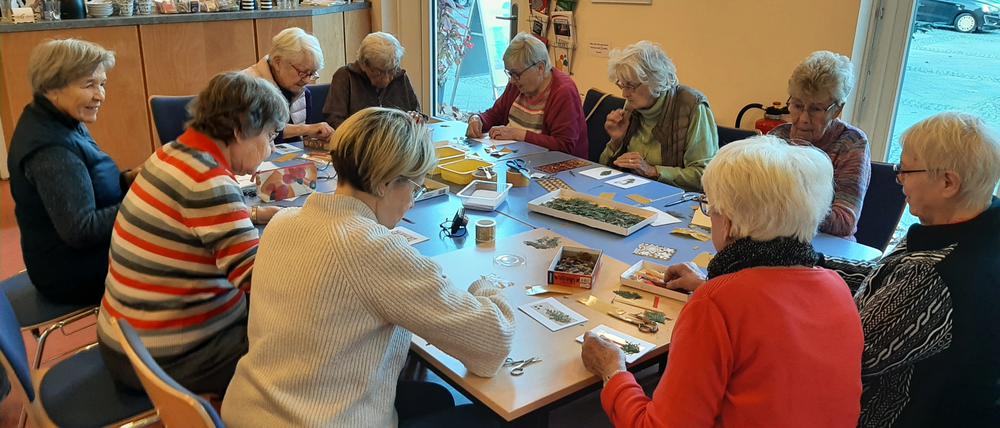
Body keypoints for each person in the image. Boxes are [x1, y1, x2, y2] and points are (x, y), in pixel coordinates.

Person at [223, 107, 515, 427]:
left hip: (250, 412)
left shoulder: (283, 222)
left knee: (435, 398)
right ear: (383, 183)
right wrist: (486, 284)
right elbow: (492, 347)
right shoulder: (373, 248)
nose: (413, 202)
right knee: (494, 419)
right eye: (415, 187)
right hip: (319, 420)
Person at [582, 135, 864, 427]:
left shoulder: (717, 304)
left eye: (710, 208)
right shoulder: (836, 286)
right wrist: (709, 288)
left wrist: (612, 371)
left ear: (728, 223)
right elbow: (770, 321)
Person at [96, 72, 287, 396]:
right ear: (240, 129)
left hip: (127, 338)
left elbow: (189, 227)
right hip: (167, 359)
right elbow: (258, 279)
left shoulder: (172, 152)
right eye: (269, 136)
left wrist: (253, 215)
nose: (270, 149)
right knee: (304, 347)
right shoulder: (209, 180)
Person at [820, 113, 1000, 427]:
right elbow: (880, 278)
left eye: (907, 169)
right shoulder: (966, 225)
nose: (898, 177)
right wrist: (811, 264)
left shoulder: (936, 276)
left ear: (948, 182)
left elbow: (845, 357)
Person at [7, 39, 138, 305]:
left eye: (102, 84)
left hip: (74, 258)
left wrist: (132, 179)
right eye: (89, 85)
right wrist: (144, 201)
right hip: (71, 273)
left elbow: (92, 184)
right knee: (182, 253)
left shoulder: (56, 118)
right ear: (52, 87)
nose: (100, 95)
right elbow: (82, 230)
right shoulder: (50, 149)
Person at [770, 50, 871, 240]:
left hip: (826, 251)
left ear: (837, 110)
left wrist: (783, 207)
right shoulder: (777, 137)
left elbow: (844, 221)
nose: (803, 119)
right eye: (798, 106)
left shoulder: (850, 143)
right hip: (776, 241)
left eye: (816, 109)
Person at [599, 41, 719, 193]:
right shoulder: (632, 106)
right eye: (622, 85)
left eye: (630, 86)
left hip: (676, 200)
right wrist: (616, 141)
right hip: (634, 194)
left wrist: (654, 171)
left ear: (654, 81)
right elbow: (602, 168)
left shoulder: (692, 106)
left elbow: (705, 176)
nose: (624, 94)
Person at [466, 32, 588, 158]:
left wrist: (519, 134)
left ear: (540, 68)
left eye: (516, 74)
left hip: (557, 168)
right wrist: (477, 119)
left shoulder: (563, 92)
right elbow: (495, 114)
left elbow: (564, 146)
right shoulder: (517, 84)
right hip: (516, 159)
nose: (512, 80)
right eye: (510, 73)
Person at [244, 27, 333, 144]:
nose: (307, 80)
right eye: (302, 72)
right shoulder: (246, 87)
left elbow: (301, 141)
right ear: (277, 62)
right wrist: (305, 129)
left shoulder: (302, 92)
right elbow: (255, 133)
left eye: (311, 74)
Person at [324, 32, 421, 129]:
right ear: (364, 64)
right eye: (379, 72)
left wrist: (415, 118)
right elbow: (334, 121)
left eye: (392, 70)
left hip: (396, 141)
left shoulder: (400, 76)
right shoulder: (345, 76)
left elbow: (416, 112)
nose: (387, 79)